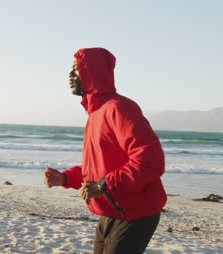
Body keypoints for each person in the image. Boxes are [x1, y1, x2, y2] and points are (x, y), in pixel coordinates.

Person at [44, 47, 167, 254]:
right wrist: (66, 179)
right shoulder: (96, 113)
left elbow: (150, 160)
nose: (70, 75)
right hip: (111, 209)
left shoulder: (119, 108)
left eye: (76, 69)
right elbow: (98, 166)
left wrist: (104, 185)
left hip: (137, 212)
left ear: (93, 73)